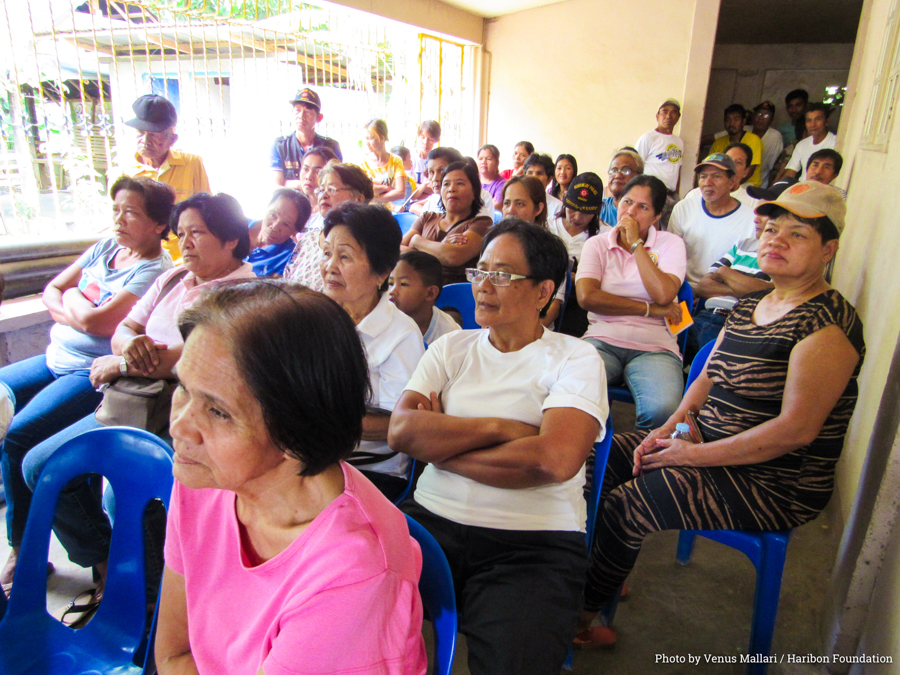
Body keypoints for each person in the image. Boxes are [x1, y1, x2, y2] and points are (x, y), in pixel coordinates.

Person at [577, 180, 864, 646]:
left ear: (829, 249)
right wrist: (673, 428)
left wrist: (686, 456)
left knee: (629, 503)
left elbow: (794, 432)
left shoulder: (827, 323)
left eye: (797, 234)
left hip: (772, 479)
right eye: (771, 228)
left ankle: (580, 619)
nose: (775, 240)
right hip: (707, 443)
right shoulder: (753, 304)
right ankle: (605, 568)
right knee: (594, 459)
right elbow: (704, 380)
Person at [155, 280, 427, 675]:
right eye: (183, 388)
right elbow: (175, 655)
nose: (179, 426)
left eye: (218, 412)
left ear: (294, 432)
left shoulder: (351, 572)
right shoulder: (203, 480)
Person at [20, 193, 255, 621]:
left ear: (232, 240)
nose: (185, 243)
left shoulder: (244, 295)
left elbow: (188, 360)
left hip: (180, 415)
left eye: (197, 233)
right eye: (180, 233)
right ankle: (110, 568)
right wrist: (129, 350)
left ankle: (147, 597)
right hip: (127, 400)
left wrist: (122, 360)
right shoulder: (173, 278)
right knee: (40, 466)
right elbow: (125, 329)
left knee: (128, 491)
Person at [388, 219, 608, 675]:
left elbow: (554, 459)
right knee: (353, 627)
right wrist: (506, 429)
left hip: (531, 545)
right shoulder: (451, 349)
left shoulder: (575, 357)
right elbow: (402, 433)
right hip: (429, 523)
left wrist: (442, 440)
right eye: (479, 271)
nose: (483, 286)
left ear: (543, 290)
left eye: (503, 275)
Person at [0, 176, 174, 594]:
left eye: (131, 212)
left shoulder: (156, 270)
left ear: (158, 224)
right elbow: (54, 289)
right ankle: (26, 544)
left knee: (22, 437)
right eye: (116, 209)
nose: (119, 219)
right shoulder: (106, 248)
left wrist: (77, 304)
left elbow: (99, 324)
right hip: (53, 357)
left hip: (88, 371)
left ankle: (61, 554)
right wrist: (78, 305)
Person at [321, 203, 425, 500]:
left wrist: (319, 417)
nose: (330, 266)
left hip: (371, 470)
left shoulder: (401, 335)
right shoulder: (319, 317)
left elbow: (398, 425)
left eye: (344, 257)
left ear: (380, 273)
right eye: (327, 253)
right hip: (320, 455)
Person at [576, 175, 687, 430]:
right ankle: (587, 458)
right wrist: (649, 309)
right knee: (574, 390)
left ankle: (637, 462)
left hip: (655, 348)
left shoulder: (672, 245)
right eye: (626, 202)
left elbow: (663, 294)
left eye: (643, 207)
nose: (631, 212)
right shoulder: (597, 244)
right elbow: (587, 297)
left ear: (657, 216)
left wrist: (637, 243)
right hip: (602, 340)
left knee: (663, 411)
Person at [120, 94, 210, 263]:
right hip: (142, 259)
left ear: (172, 138)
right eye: (140, 133)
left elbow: (206, 212)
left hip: (183, 258)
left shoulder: (191, 163)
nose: (145, 141)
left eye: (155, 135)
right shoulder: (125, 173)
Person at [688, 213, 772, 361]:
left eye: (765, 214)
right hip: (704, 317)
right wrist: (744, 288)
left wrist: (725, 273)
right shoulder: (743, 245)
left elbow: (770, 294)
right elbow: (703, 287)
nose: (756, 219)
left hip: (739, 326)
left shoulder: (783, 258)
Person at [669, 153, 756, 289]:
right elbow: (670, 254)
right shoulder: (684, 208)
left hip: (721, 292)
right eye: (703, 177)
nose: (707, 183)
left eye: (716, 176)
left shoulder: (750, 220)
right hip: (682, 287)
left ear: (732, 182)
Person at [282, 161, 372, 291]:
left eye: (331, 189)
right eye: (321, 190)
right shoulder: (307, 239)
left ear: (358, 199)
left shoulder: (367, 244)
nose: (323, 195)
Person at [401, 161, 494, 284]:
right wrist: (440, 247)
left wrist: (416, 242)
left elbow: (452, 256)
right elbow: (398, 250)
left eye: (459, 183)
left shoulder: (481, 224)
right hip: (417, 290)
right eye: (446, 184)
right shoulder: (427, 218)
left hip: (454, 296)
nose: (451, 189)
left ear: (474, 192)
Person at [501, 177, 563, 328]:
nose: (510, 211)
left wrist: (527, 334)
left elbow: (553, 307)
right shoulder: (494, 245)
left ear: (538, 208)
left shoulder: (550, 250)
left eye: (520, 204)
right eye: (507, 203)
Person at [271, 88, 343, 188]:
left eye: (308, 111)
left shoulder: (331, 147)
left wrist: (292, 184)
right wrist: (311, 185)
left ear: (319, 118)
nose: (301, 116)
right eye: (297, 110)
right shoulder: (280, 146)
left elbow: (336, 184)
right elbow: (275, 186)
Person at [388, 251, 462, 347]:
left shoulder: (449, 336)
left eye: (404, 284)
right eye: (390, 283)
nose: (392, 291)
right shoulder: (383, 319)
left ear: (430, 293)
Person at [547, 172, 609, 270]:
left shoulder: (606, 236)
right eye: (572, 209)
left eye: (585, 213)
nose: (577, 217)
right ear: (564, 197)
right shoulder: (547, 227)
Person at [246, 189, 312, 277]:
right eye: (273, 215)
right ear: (267, 208)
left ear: (295, 231)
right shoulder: (237, 225)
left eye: (286, 224)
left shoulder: (289, 257)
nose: (275, 227)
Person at [635, 98, 684, 194]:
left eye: (673, 112)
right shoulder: (648, 138)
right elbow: (636, 166)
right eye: (664, 112)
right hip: (651, 192)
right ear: (657, 116)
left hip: (670, 194)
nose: (668, 116)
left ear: (678, 117)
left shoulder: (679, 142)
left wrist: (676, 193)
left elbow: (678, 169)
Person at [780, 103, 837, 182]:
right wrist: (778, 188)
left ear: (827, 122)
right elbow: (791, 172)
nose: (812, 124)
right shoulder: (802, 144)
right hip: (802, 188)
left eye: (818, 119)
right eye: (809, 120)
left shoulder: (836, 142)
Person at [710, 104, 764, 187]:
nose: (731, 123)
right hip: (722, 185)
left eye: (736, 119)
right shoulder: (718, 143)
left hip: (747, 186)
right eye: (728, 120)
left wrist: (729, 187)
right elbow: (711, 168)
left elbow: (749, 171)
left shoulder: (753, 140)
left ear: (743, 122)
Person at [360, 119, 408, 205]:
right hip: (367, 211)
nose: (367, 143)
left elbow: (401, 192)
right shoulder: (363, 162)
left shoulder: (395, 161)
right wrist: (386, 187)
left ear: (382, 138)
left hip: (388, 211)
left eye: (370, 138)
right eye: (365, 139)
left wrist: (375, 198)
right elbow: (363, 191)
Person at [601, 148, 644, 226]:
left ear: (639, 176)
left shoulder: (644, 211)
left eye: (626, 170)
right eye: (614, 170)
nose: (618, 175)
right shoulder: (600, 207)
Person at [751, 101, 784, 188]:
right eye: (759, 114)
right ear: (753, 115)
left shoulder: (775, 136)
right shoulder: (744, 130)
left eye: (766, 115)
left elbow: (772, 168)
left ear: (772, 119)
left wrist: (768, 190)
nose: (761, 118)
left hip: (759, 185)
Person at [523, 152, 564, 217]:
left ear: (549, 180)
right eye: (530, 173)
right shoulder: (517, 202)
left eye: (539, 173)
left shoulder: (558, 208)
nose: (534, 177)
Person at [477, 144, 506, 211]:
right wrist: (488, 204)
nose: (483, 162)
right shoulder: (471, 180)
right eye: (480, 159)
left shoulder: (502, 183)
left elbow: (497, 206)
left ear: (497, 163)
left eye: (488, 159)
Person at [411, 121, 441, 185]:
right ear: (418, 137)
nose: (425, 142)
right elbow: (407, 185)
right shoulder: (409, 157)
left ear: (436, 140)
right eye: (422, 137)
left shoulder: (437, 160)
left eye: (430, 139)